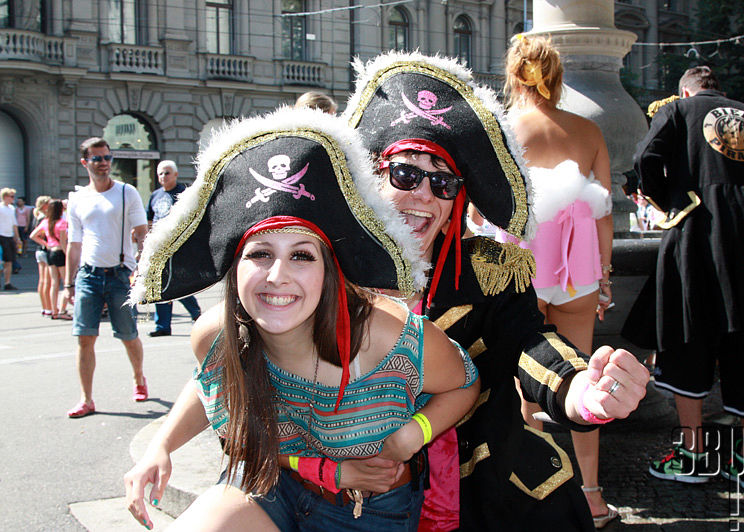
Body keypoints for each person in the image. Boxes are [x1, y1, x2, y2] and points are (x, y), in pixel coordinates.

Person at [124, 108, 479, 531]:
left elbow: (464, 383)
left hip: (365, 510)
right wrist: (160, 447)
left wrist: (411, 435)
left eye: (301, 255)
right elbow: (211, 384)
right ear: (234, 268)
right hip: (266, 484)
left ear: (329, 270)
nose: (278, 276)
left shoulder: (388, 337)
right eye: (259, 254)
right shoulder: (216, 334)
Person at [342, 51, 649, 531]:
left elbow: (529, 343)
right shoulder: (326, 267)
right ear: (373, 179)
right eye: (406, 174)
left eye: (443, 182)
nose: (424, 193)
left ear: (456, 200)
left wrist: (580, 391)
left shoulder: (490, 269)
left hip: (481, 482)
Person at [623, 66, 744, 490]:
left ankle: (693, 455)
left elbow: (644, 159)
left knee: (689, 339)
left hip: (698, 235)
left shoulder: (680, 110)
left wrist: (672, 203)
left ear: (685, 89)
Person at [495, 35, 618, 528]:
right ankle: (591, 495)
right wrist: (604, 277)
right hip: (578, 266)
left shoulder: (504, 128)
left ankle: (526, 487)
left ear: (513, 75)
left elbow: (487, 209)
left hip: (520, 264)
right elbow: (605, 211)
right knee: (583, 384)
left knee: (519, 380)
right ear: (558, 76)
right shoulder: (588, 130)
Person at [63, 137, 149, 418]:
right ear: (85, 162)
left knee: (128, 334)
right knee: (84, 338)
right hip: (88, 274)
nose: (103, 163)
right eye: (97, 158)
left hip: (120, 275)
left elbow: (141, 232)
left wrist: (141, 266)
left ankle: (138, 377)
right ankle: (86, 399)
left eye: (107, 158)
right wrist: (68, 284)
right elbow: (74, 244)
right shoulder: (77, 198)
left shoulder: (127, 193)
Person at [145, 160, 201, 336]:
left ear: (176, 175)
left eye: (167, 173)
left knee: (177, 284)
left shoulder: (184, 194)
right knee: (159, 285)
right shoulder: (155, 195)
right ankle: (162, 326)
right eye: (160, 173)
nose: (163, 176)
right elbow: (149, 220)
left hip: (178, 247)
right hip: (158, 248)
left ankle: (196, 313)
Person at [30, 198, 71, 319]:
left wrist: (46, 244)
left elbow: (33, 236)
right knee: (66, 282)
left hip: (50, 253)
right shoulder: (62, 223)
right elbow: (63, 242)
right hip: (59, 252)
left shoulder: (46, 221)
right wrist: (68, 255)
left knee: (54, 283)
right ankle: (62, 310)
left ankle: (54, 310)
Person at [32, 196, 53, 315]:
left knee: (43, 281)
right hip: (44, 251)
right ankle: (48, 307)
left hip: (39, 251)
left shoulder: (37, 216)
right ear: (44, 205)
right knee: (47, 281)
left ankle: (45, 307)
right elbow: (35, 235)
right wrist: (47, 244)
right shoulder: (44, 218)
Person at [0, 187, 21, 290]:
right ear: (5, 197)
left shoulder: (12, 208)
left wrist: (17, 238)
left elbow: (14, 224)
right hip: (1, 236)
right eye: (11, 196)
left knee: (9, 261)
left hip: (9, 237)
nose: (13, 198)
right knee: (1, 261)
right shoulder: (0, 208)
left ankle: (7, 283)